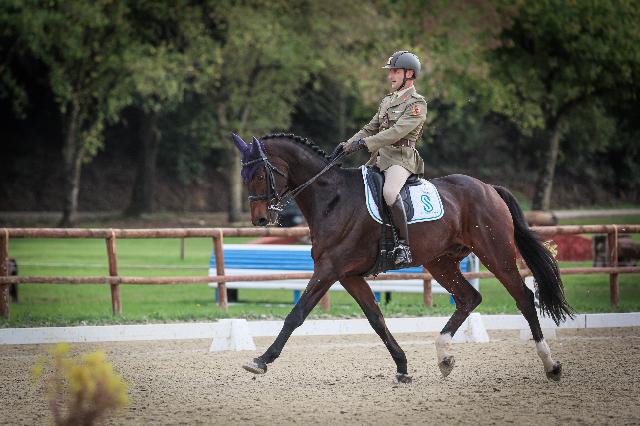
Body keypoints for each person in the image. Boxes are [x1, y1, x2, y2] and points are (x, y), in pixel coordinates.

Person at [341, 50, 427, 266]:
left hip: (401, 158)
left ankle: (404, 247)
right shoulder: (387, 101)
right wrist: (349, 144)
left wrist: (366, 144)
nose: (391, 76)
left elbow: (397, 132)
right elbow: (370, 128)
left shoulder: (417, 104)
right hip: (380, 158)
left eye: (395, 72)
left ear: (410, 74)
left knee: (389, 192)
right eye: (391, 72)